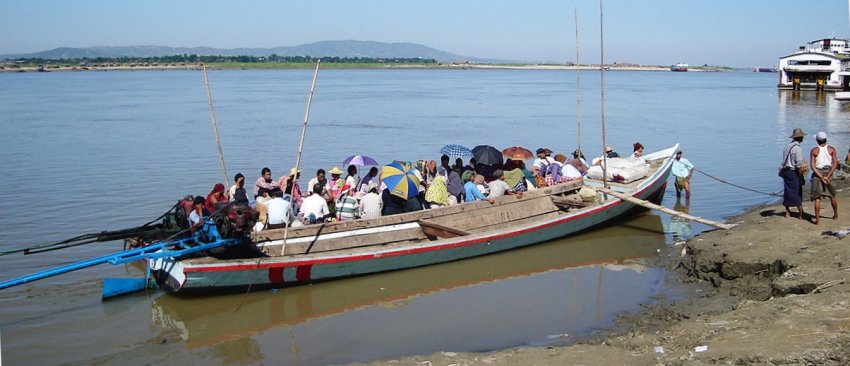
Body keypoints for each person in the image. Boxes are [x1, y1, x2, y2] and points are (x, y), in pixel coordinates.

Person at [809, 131, 839, 224]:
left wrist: (821, 177)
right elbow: (835, 164)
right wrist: (828, 176)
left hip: (818, 173)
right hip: (828, 171)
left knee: (817, 198)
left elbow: (813, 166)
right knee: (832, 196)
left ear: (817, 140)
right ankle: (835, 214)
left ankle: (817, 219)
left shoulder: (814, 150)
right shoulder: (831, 149)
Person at [780, 128, 806, 220]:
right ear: (801, 138)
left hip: (786, 171)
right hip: (793, 171)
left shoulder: (787, 146)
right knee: (797, 191)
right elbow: (799, 164)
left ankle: (787, 211)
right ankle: (801, 213)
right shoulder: (797, 148)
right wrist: (801, 176)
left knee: (787, 191)